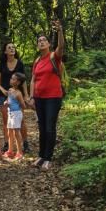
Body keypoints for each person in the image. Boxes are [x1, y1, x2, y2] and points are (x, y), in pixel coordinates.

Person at [30, 18, 65, 171]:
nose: (42, 42)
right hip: (39, 98)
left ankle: (48, 158)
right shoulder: (37, 60)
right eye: (39, 41)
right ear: (37, 45)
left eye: (44, 40)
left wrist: (60, 31)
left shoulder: (53, 57)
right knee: (42, 127)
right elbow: (33, 80)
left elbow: (61, 46)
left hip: (53, 97)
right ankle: (41, 155)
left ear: (49, 44)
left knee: (50, 127)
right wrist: (31, 97)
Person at [0, 41, 28, 153]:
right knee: (7, 121)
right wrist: (3, 91)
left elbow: (23, 81)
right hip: (4, 95)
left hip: (16, 95)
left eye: (13, 47)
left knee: (21, 120)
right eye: (9, 47)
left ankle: (25, 143)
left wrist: (26, 95)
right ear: (5, 51)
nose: (12, 49)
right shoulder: (1, 65)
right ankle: (7, 144)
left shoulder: (19, 63)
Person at [3, 72, 28, 160]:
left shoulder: (18, 93)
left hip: (16, 114)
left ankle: (19, 152)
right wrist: (6, 102)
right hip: (10, 113)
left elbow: (23, 105)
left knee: (16, 132)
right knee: (9, 132)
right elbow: (8, 100)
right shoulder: (10, 90)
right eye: (11, 78)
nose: (11, 80)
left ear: (18, 82)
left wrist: (21, 107)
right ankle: (10, 150)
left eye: (13, 79)